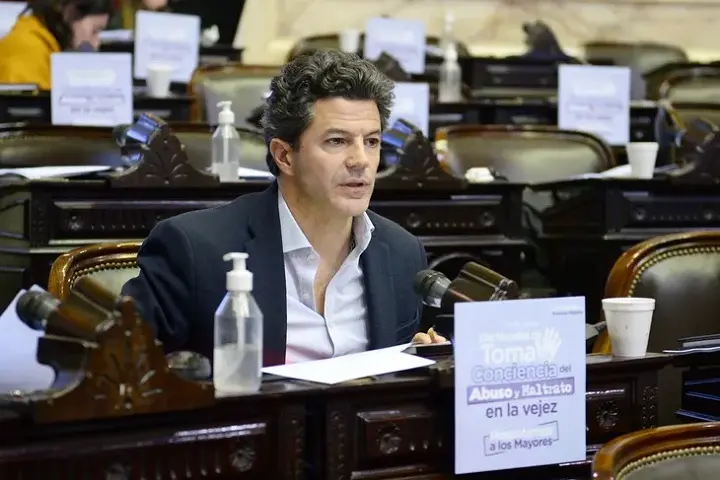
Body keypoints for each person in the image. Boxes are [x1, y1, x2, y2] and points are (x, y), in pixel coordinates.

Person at [122, 50, 443, 366]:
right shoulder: (195, 250)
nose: (361, 160)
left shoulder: (403, 253)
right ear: (284, 156)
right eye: (337, 141)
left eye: (372, 142)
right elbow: (120, 364)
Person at [0, 0, 113, 90]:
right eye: (94, 31)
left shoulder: (43, 44)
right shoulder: (29, 53)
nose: (96, 43)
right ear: (70, 13)